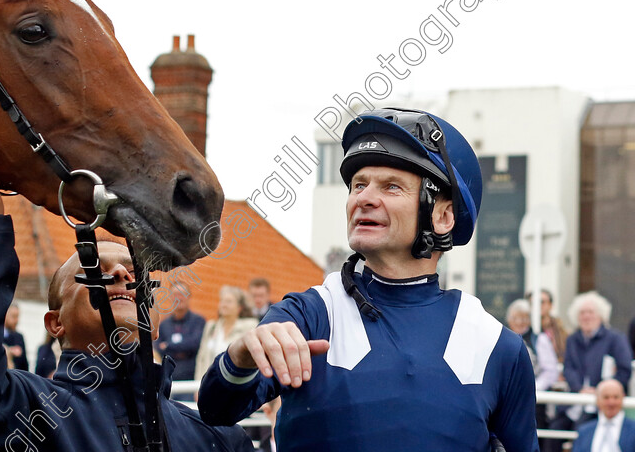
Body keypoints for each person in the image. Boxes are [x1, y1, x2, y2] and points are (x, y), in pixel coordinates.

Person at [197, 107, 539, 451]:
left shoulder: (498, 345)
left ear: (444, 215)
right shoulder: (308, 314)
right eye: (359, 184)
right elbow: (215, 410)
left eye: (391, 187)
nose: (363, 198)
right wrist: (239, 356)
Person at [0, 113, 253, 452]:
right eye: (95, 268)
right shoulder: (28, 414)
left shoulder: (216, 438)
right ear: (56, 323)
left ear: (156, 324)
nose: (122, 276)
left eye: (133, 272)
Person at [546, 291, 633, 452]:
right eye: (582, 313)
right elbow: (569, 367)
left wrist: (601, 390)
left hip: (602, 403)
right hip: (576, 401)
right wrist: (580, 388)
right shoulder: (572, 339)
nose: (586, 317)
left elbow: (624, 368)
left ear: (601, 315)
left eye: (590, 312)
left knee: (582, 430)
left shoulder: (615, 338)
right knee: (552, 432)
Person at [506, 298, 559, 433]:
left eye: (524, 318)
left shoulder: (539, 340)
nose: (519, 322)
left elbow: (550, 371)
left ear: (530, 320)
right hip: (507, 397)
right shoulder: (503, 338)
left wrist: (534, 387)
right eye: (515, 318)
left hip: (533, 399)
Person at [194, 286, 258, 382]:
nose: (224, 305)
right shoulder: (211, 327)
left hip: (236, 383)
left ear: (239, 307)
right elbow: (201, 358)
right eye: (222, 301)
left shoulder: (249, 326)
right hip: (210, 384)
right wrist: (198, 384)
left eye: (229, 302)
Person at [156, 282, 205, 400]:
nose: (179, 298)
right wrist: (182, 347)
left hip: (190, 385)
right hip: (168, 384)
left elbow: (194, 344)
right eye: (175, 294)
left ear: (189, 297)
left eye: (182, 294)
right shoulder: (164, 324)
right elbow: (157, 347)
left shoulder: (198, 321)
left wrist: (168, 346)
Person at [572, 379, 635, 452]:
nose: (611, 402)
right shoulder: (584, 431)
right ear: (598, 400)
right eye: (606, 397)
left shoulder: (633, 429)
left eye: (615, 397)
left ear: (623, 398)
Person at [526, 288, 569, 363]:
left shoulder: (561, 331)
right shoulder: (524, 329)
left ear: (551, 305)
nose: (537, 306)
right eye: (532, 303)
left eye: (541, 302)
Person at [3, 303, 29, 371]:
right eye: (14, 316)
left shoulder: (19, 338)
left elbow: (24, 365)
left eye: (18, 317)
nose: (16, 320)